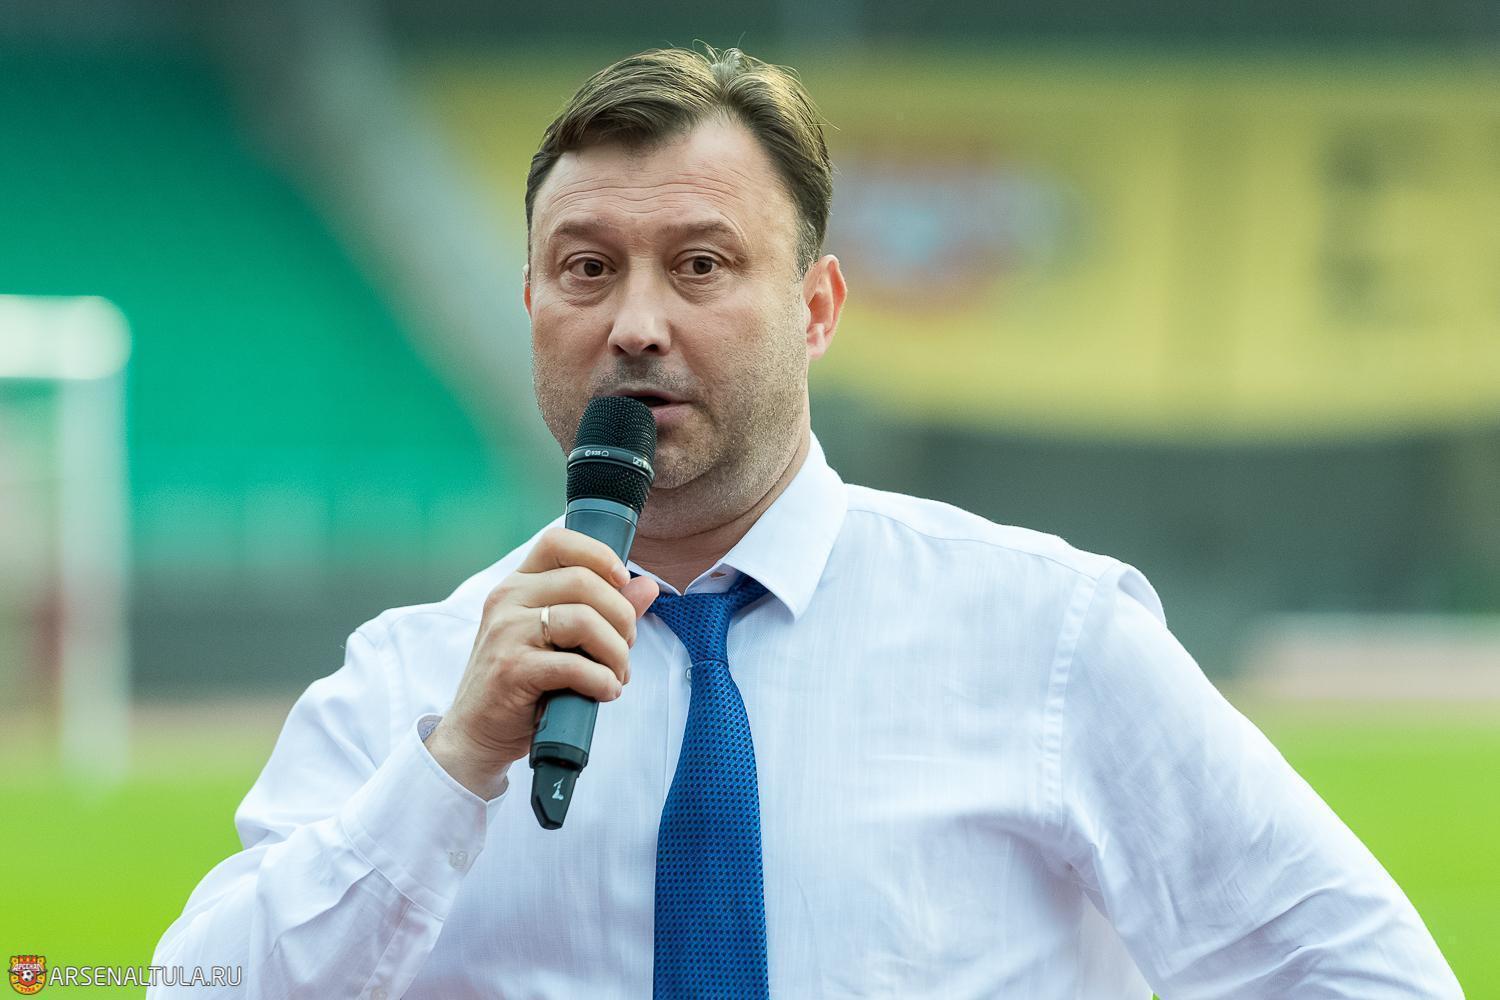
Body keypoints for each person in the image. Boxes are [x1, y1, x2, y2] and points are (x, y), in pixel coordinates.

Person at [151, 46, 1462, 999]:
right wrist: (449, 769)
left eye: (701, 265)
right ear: (533, 305)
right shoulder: (413, 679)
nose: (637, 323)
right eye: (587, 269)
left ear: (819, 308)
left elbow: (1358, 971)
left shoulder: (1051, 637)